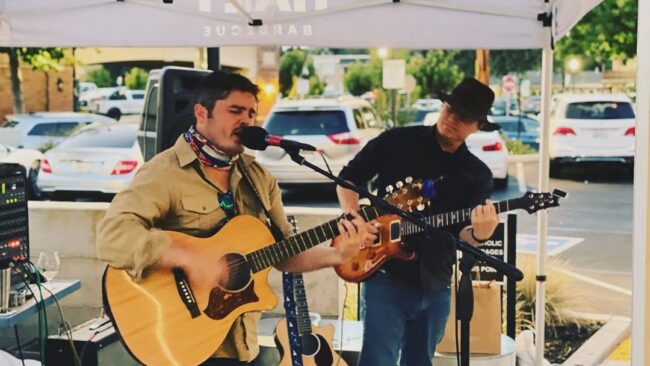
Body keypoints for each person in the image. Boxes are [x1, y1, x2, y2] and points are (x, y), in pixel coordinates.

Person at [96, 71, 374, 366]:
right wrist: (186, 257)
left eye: (252, 113)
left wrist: (337, 254)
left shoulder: (258, 177)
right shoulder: (165, 172)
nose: (247, 121)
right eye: (235, 111)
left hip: (242, 345)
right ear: (202, 113)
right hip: (185, 342)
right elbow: (112, 235)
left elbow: (285, 252)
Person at [336, 78, 501, 366]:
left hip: (436, 282)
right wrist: (356, 219)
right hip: (385, 273)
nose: (453, 118)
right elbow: (347, 180)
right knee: (377, 361)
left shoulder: (477, 174)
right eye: (450, 109)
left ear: (477, 126)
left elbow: (465, 235)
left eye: (464, 116)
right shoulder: (397, 141)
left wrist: (481, 234)